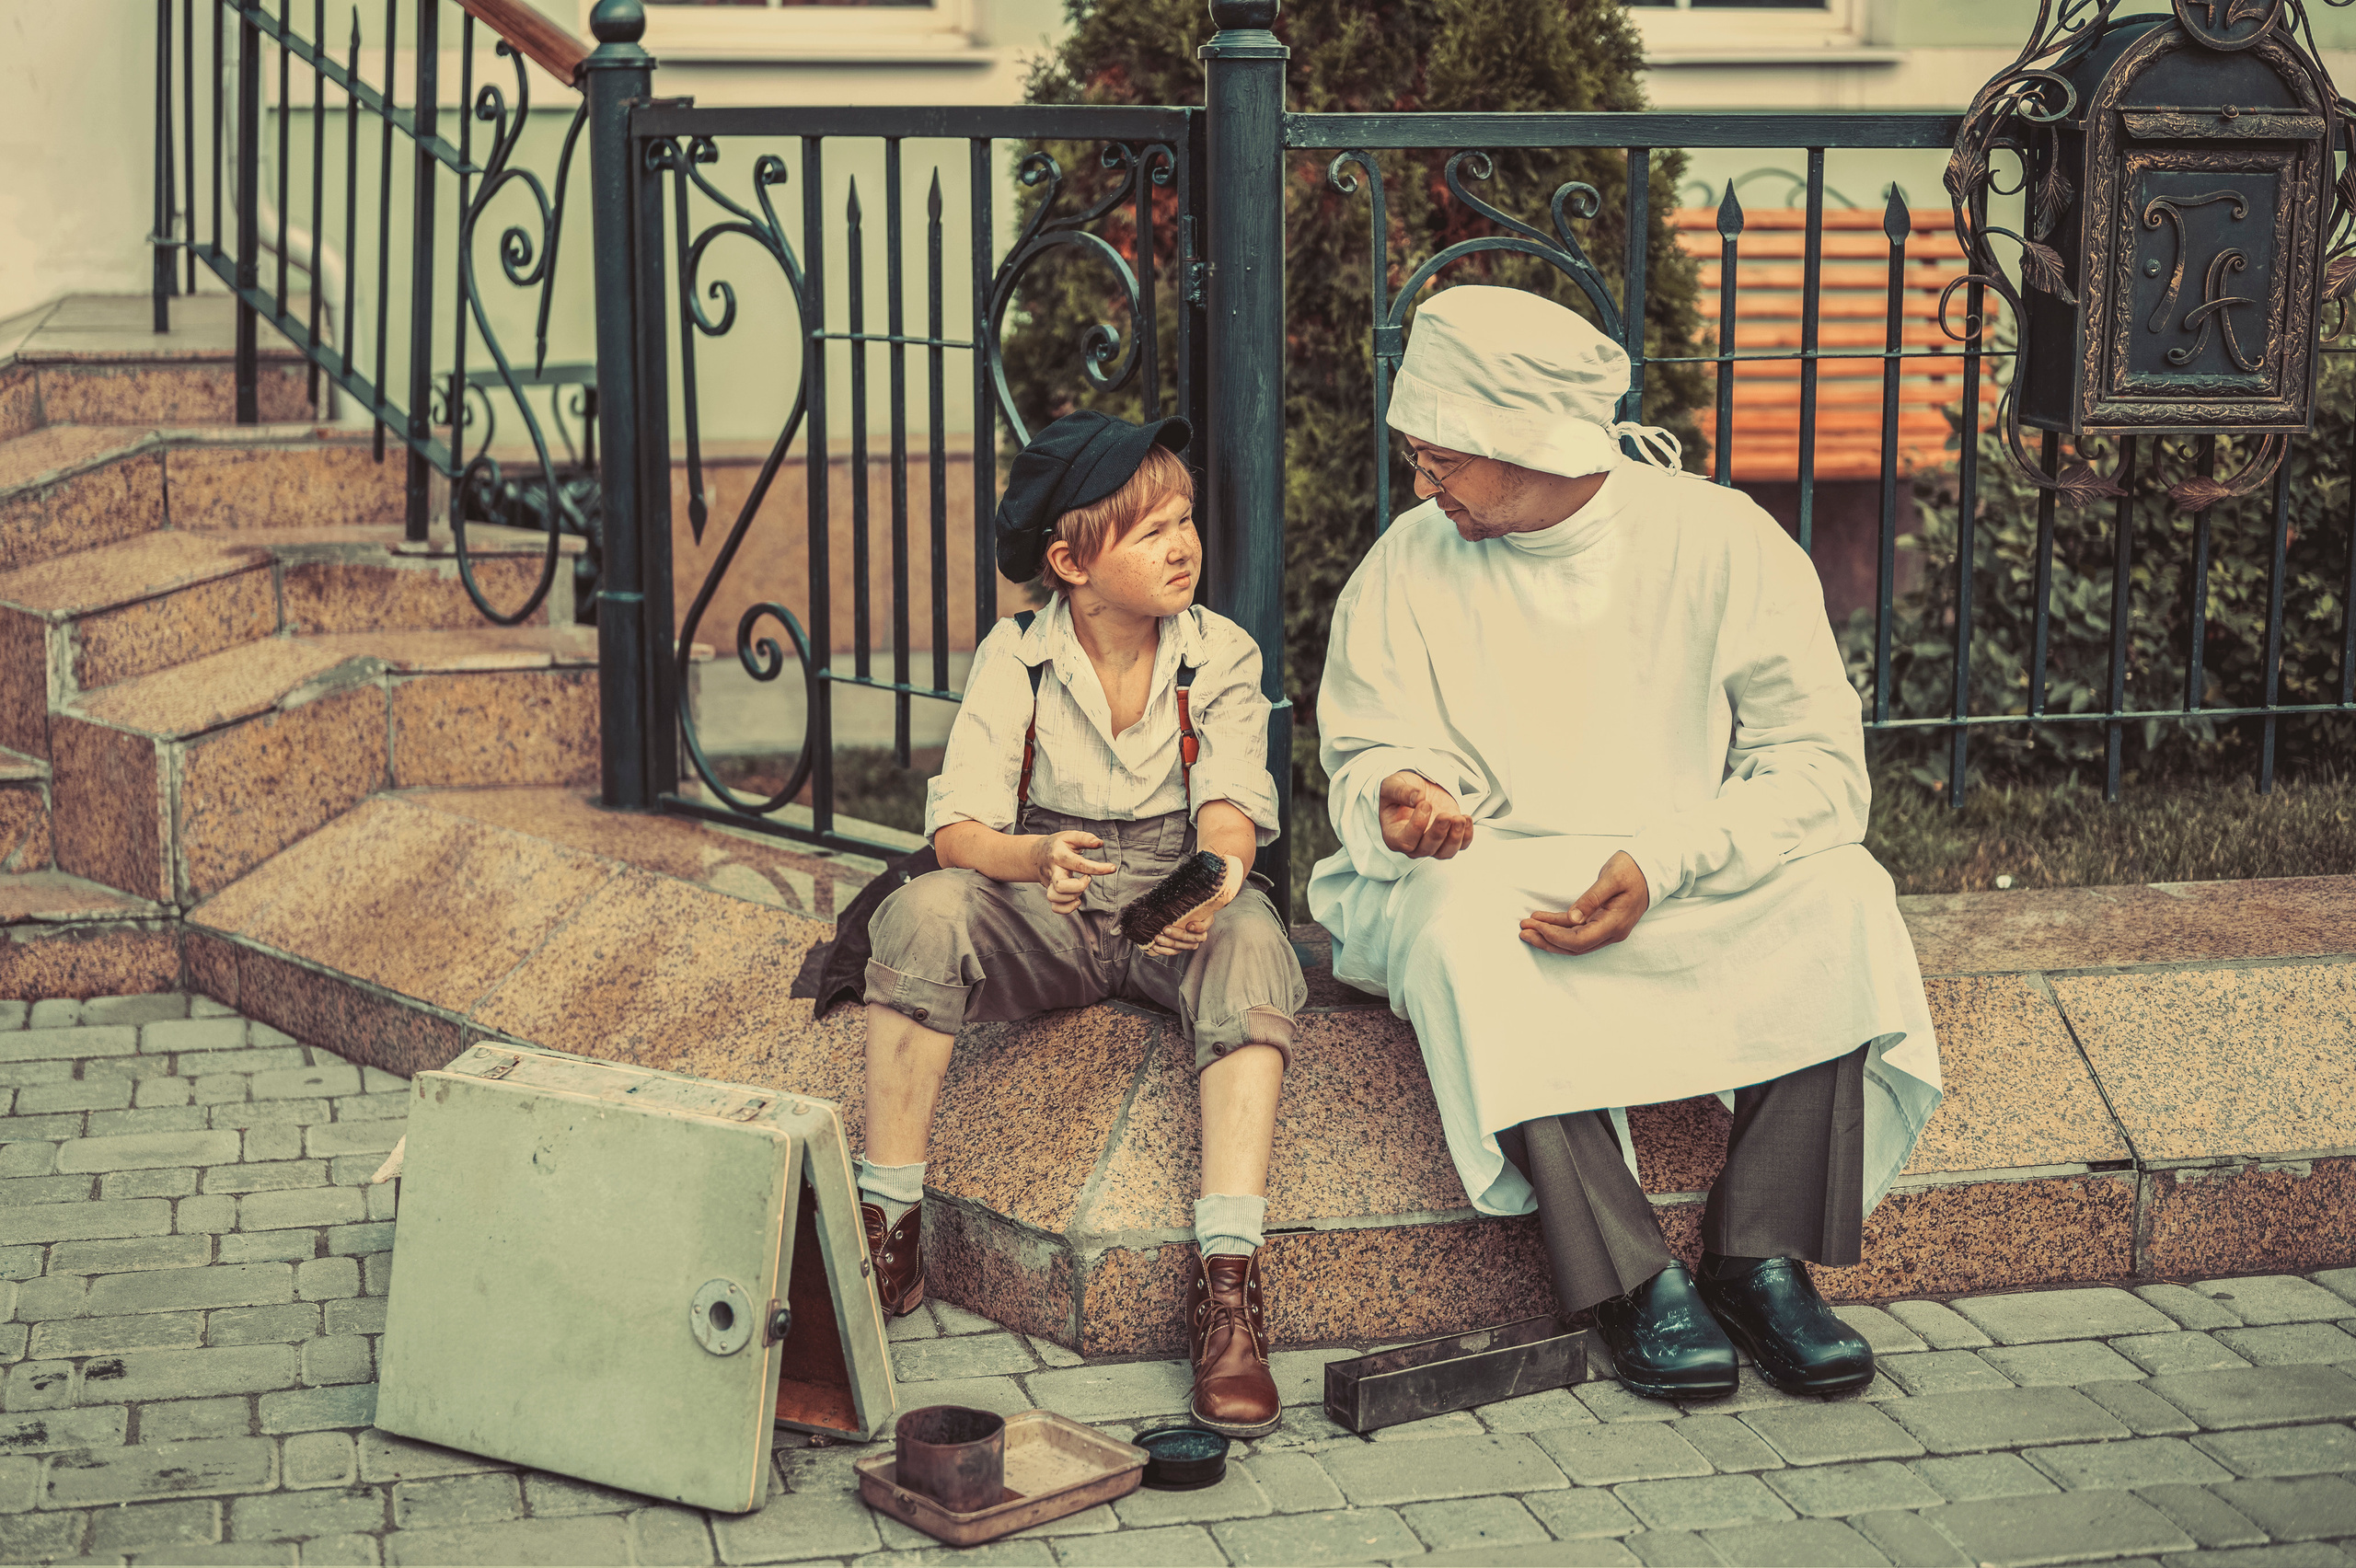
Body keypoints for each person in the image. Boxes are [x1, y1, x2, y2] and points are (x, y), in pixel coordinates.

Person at [1310, 285, 1943, 1401]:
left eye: (1440, 457)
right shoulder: (1407, 564)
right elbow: (1366, 750)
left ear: (1528, 438)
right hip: (1499, 872)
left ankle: (1760, 1257)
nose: (1423, 485)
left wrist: (1665, 863)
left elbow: (1820, 771)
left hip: (1681, 863)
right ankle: (1633, 1277)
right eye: (1413, 458)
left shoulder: (1722, 540)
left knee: (1845, 895)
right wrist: (1399, 797)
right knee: (1459, 930)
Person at [858, 410, 1307, 1436]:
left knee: (1251, 947)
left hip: (1174, 888)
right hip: (1045, 893)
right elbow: (959, 829)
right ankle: (889, 1229)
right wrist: (1031, 859)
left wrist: (1194, 890)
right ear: (1069, 560)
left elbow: (1230, 811)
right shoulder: (1016, 656)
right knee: (920, 916)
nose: (1182, 544)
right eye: (1150, 531)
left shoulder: (1215, 653)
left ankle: (1227, 1285)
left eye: (1185, 520)